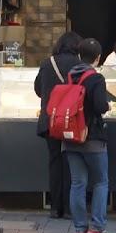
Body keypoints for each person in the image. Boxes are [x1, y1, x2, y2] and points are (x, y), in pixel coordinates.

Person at [63, 38, 113, 233]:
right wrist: (108, 106)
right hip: (92, 137)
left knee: (77, 183)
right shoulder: (96, 78)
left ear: (78, 55)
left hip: (70, 137)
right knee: (101, 181)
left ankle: (79, 229)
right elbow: (100, 106)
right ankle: (97, 227)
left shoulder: (70, 75)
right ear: (98, 57)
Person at [35, 31, 82, 218]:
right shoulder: (80, 65)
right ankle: (70, 208)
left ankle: (55, 207)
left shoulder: (48, 63)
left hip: (51, 120)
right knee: (71, 162)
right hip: (71, 121)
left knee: (54, 161)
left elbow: (38, 89)